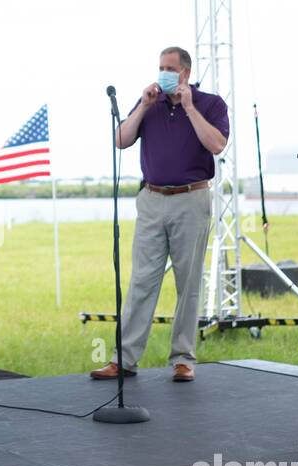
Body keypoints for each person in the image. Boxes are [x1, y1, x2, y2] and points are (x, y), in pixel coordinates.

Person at [90, 47, 229, 383]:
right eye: (160, 67)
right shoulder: (149, 104)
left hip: (191, 199)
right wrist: (142, 107)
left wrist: (190, 108)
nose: (163, 73)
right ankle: (123, 359)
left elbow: (217, 144)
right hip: (152, 200)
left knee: (188, 283)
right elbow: (120, 140)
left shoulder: (211, 104)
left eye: (170, 68)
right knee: (141, 281)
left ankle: (183, 359)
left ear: (185, 72)